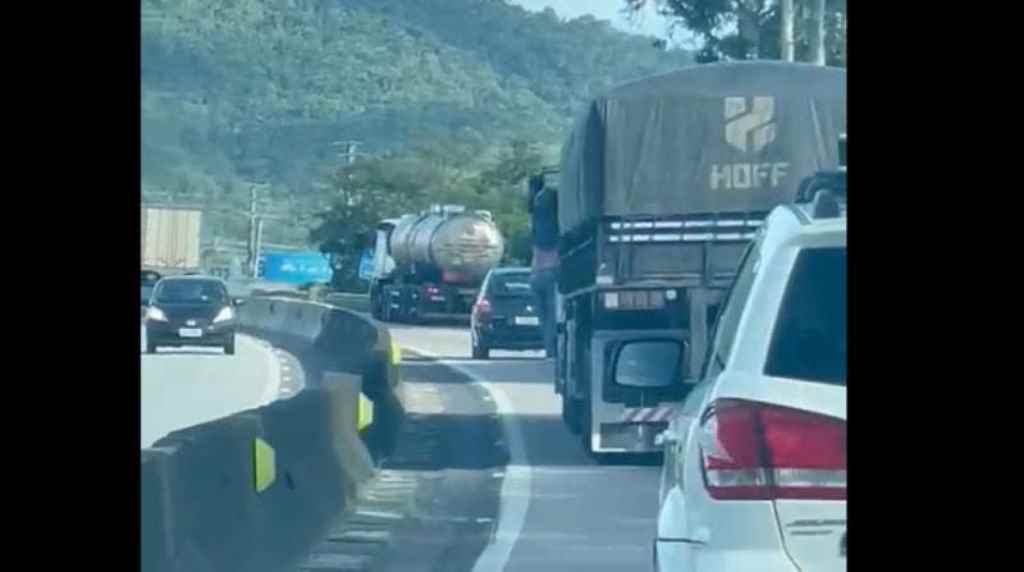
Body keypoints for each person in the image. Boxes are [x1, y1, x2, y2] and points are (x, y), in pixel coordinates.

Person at [529, 176, 559, 358]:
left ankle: (550, 350)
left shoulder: (536, 220)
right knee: (553, 317)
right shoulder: (555, 227)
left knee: (544, 318)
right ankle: (553, 350)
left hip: (536, 274)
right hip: (552, 273)